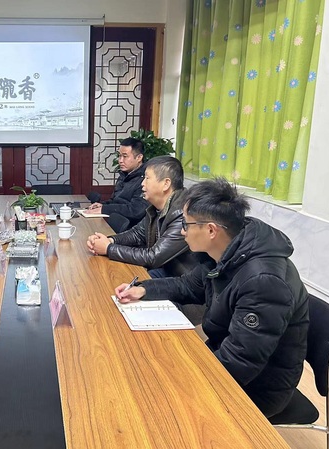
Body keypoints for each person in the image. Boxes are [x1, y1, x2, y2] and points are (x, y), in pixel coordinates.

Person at [114, 178, 309, 418]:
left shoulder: (263, 282)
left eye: (186, 224)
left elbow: (239, 363)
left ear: (210, 230)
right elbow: (187, 285)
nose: (182, 231)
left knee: (152, 400)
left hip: (258, 387)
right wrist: (143, 289)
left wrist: (181, 382)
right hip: (223, 358)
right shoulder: (228, 249)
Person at [87, 156, 200, 278]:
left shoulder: (182, 214)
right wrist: (109, 240)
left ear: (166, 184)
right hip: (164, 268)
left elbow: (154, 257)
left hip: (179, 278)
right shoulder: (156, 207)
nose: (142, 183)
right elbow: (137, 234)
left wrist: (108, 248)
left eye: (147, 178)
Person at [84, 137, 149, 227]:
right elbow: (114, 201)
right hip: (114, 223)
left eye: (125, 156)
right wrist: (102, 205)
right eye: (119, 156)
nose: (120, 160)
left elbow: (135, 210)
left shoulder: (145, 180)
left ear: (139, 157)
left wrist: (104, 209)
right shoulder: (123, 175)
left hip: (131, 229)